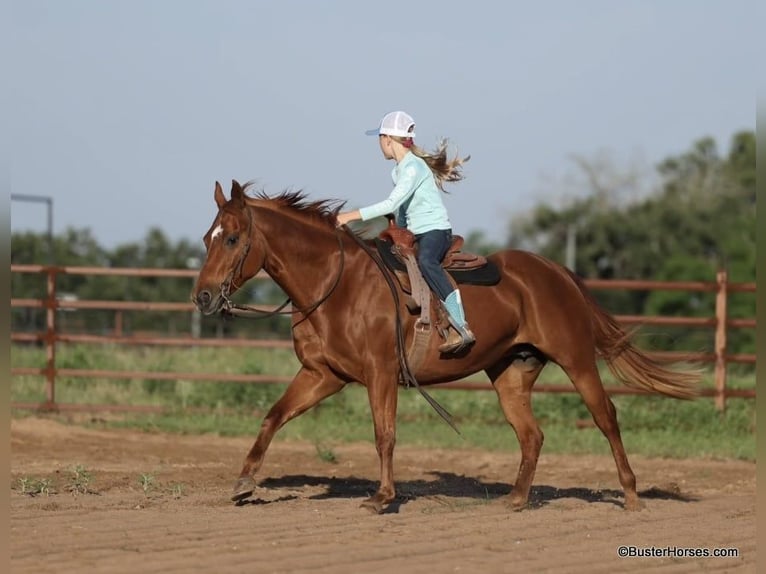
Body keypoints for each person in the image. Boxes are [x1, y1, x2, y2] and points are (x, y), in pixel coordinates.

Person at [335, 110, 474, 353]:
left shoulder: (412, 168)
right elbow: (399, 208)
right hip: (416, 232)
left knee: (427, 261)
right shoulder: (399, 170)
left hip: (435, 230)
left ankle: (461, 324)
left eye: (379, 139)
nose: (379, 145)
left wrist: (349, 215)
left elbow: (390, 203)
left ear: (387, 139)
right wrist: (395, 226)